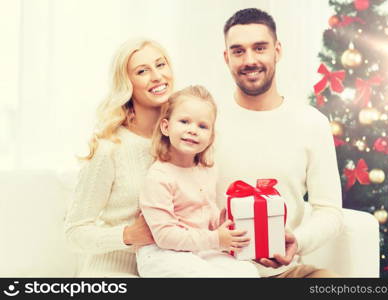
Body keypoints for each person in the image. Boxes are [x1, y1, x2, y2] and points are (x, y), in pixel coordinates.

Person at [215, 8, 344, 278]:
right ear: (227, 58)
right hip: (218, 270)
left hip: (285, 272)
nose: (250, 60)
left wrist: (297, 241)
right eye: (238, 51)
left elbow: (329, 211)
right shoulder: (205, 121)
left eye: (260, 48)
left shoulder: (312, 123)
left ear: (277, 51)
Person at [64, 38, 174, 277]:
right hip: (113, 272)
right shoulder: (110, 148)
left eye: (161, 64)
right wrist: (127, 235)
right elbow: (74, 232)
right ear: (127, 84)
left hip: (166, 269)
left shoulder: (183, 141)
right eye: (142, 71)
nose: (157, 76)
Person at [136, 85, 259, 277]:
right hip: (162, 252)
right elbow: (165, 236)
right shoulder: (159, 176)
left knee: (248, 273)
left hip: (200, 247)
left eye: (202, 126)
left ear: (210, 137)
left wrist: (225, 223)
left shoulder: (207, 170)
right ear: (166, 127)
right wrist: (216, 238)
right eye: (184, 121)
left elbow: (206, 216)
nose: (193, 130)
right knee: (203, 275)